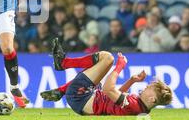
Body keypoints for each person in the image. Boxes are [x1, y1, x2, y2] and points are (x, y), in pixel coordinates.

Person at [41, 39, 173, 115]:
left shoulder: (134, 106)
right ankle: (60, 90)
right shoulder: (139, 106)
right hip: (85, 99)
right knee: (99, 71)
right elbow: (116, 94)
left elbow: (108, 90)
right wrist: (132, 80)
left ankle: (64, 64)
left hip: (80, 97)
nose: (146, 86)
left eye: (149, 87)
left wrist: (120, 66)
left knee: (107, 58)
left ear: (152, 99)